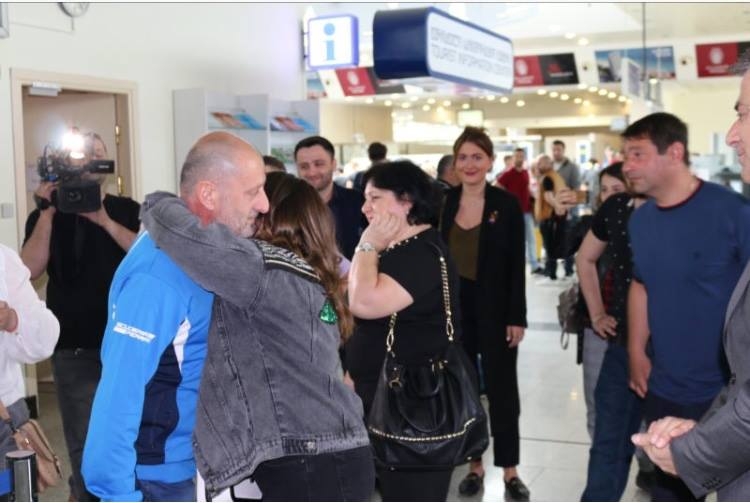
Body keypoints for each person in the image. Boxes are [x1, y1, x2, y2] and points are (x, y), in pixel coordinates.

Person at [139, 172, 373, 502]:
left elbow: (180, 232)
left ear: (271, 214)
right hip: (332, 453)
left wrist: (160, 200)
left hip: (309, 461)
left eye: (258, 199)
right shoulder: (306, 273)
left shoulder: (262, 268)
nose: (252, 206)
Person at [82, 131, 269, 501]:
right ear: (209, 194)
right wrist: (117, 495)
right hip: (159, 477)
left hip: (202, 464)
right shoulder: (159, 274)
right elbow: (119, 392)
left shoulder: (210, 255)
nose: (264, 204)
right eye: (253, 192)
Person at [631, 51, 750, 501]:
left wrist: (693, 452)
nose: (733, 134)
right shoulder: (641, 219)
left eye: (743, 114)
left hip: (713, 390)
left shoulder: (732, 212)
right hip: (675, 387)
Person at [21, 131, 140, 502]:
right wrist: (48, 212)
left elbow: (146, 256)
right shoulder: (46, 214)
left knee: (128, 434)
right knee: (84, 440)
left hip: (125, 341)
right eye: (79, 153)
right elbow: (29, 269)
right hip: (73, 344)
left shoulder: (126, 209)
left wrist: (103, 220)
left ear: (105, 164)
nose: (88, 158)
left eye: (96, 152)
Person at [345, 160, 459, 501]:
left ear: (406, 201)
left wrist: (367, 243)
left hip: (413, 409)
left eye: (375, 198)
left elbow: (363, 302)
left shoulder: (420, 253)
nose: (365, 207)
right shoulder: (403, 250)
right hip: (389, 400)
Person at [440, 127, 529, 501]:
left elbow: (516, 266)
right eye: (463, 157)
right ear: (454, 163)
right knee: (465, 392)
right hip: (456, 313)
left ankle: (510, 469)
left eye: (477, 157)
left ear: (490, 161)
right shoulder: (443, 203)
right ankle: (474, 465)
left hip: (496, 311)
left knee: (502, 390)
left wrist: (517, 317)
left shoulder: (505, 205)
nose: (470, 164)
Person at [577, 163, 653, 501]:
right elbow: (584, 258)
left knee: (671, 445)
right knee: (607, 442)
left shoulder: (681, 209)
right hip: (622, 346)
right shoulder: (616, 209)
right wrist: (596, 313)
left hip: (673, 352)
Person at [0, 244, 59, 470]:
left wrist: (12, 320)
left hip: (4, 417)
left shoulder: (4, 260)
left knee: (12, 488)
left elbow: (45, 339)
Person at [295, 136, 364, 259]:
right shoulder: (287, 207)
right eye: (304, 166)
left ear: (333, 164)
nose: (312, 172)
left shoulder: (359, 202)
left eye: (319, 164)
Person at [497, 147, 543, 275]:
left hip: (527, 211)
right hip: (514, 213)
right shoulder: (508, 174)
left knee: (531, 239)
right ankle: (516, 266)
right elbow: (497, 187)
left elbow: (526, 188)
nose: (519, 158)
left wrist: (532, 196)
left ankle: (534, 265)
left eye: (521, 156)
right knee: (517, 241)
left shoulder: (525, 172)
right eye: (517, 156)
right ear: (513, 158)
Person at [535, 154, 576, 282]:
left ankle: (551, 273)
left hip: (550, 217)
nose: (538, 165)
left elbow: (548, 196)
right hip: (560, 216)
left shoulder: (547, 178)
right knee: (562, 243)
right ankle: (568, 271)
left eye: (541, 162)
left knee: (550, 245)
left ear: (548, 164)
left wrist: (558, 206)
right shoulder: (557, 177)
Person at [552, 140, 580, 277]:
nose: (556, 152)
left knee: (568, 240)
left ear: (563, 150)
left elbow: (576, 188)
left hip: (568, 210)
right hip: (551, 210)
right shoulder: (549, 166)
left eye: (559, 149)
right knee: (551, 240)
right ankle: (550, 271)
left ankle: (569, 270)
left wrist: (568, 207)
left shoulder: (572, 167)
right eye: (554, 150)